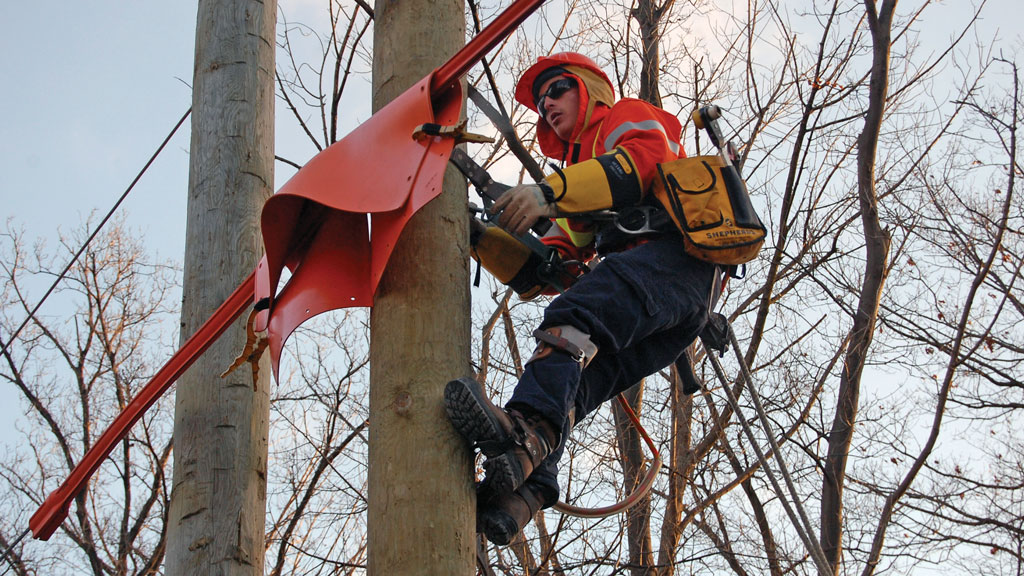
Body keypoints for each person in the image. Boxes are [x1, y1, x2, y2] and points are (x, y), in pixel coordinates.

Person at [445, 52, 720, 545]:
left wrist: (549, 193)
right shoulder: (577, 170)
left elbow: (642, 161)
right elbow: (555, 266)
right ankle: (524, 489)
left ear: (587, 87)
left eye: (556, 89)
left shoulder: (623, 117)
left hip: (675, 264)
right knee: (575, 382)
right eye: (539, 100)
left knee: (575, 317)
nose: (546, 104)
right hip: (665, 307)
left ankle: (524, 434)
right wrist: (479, 238)